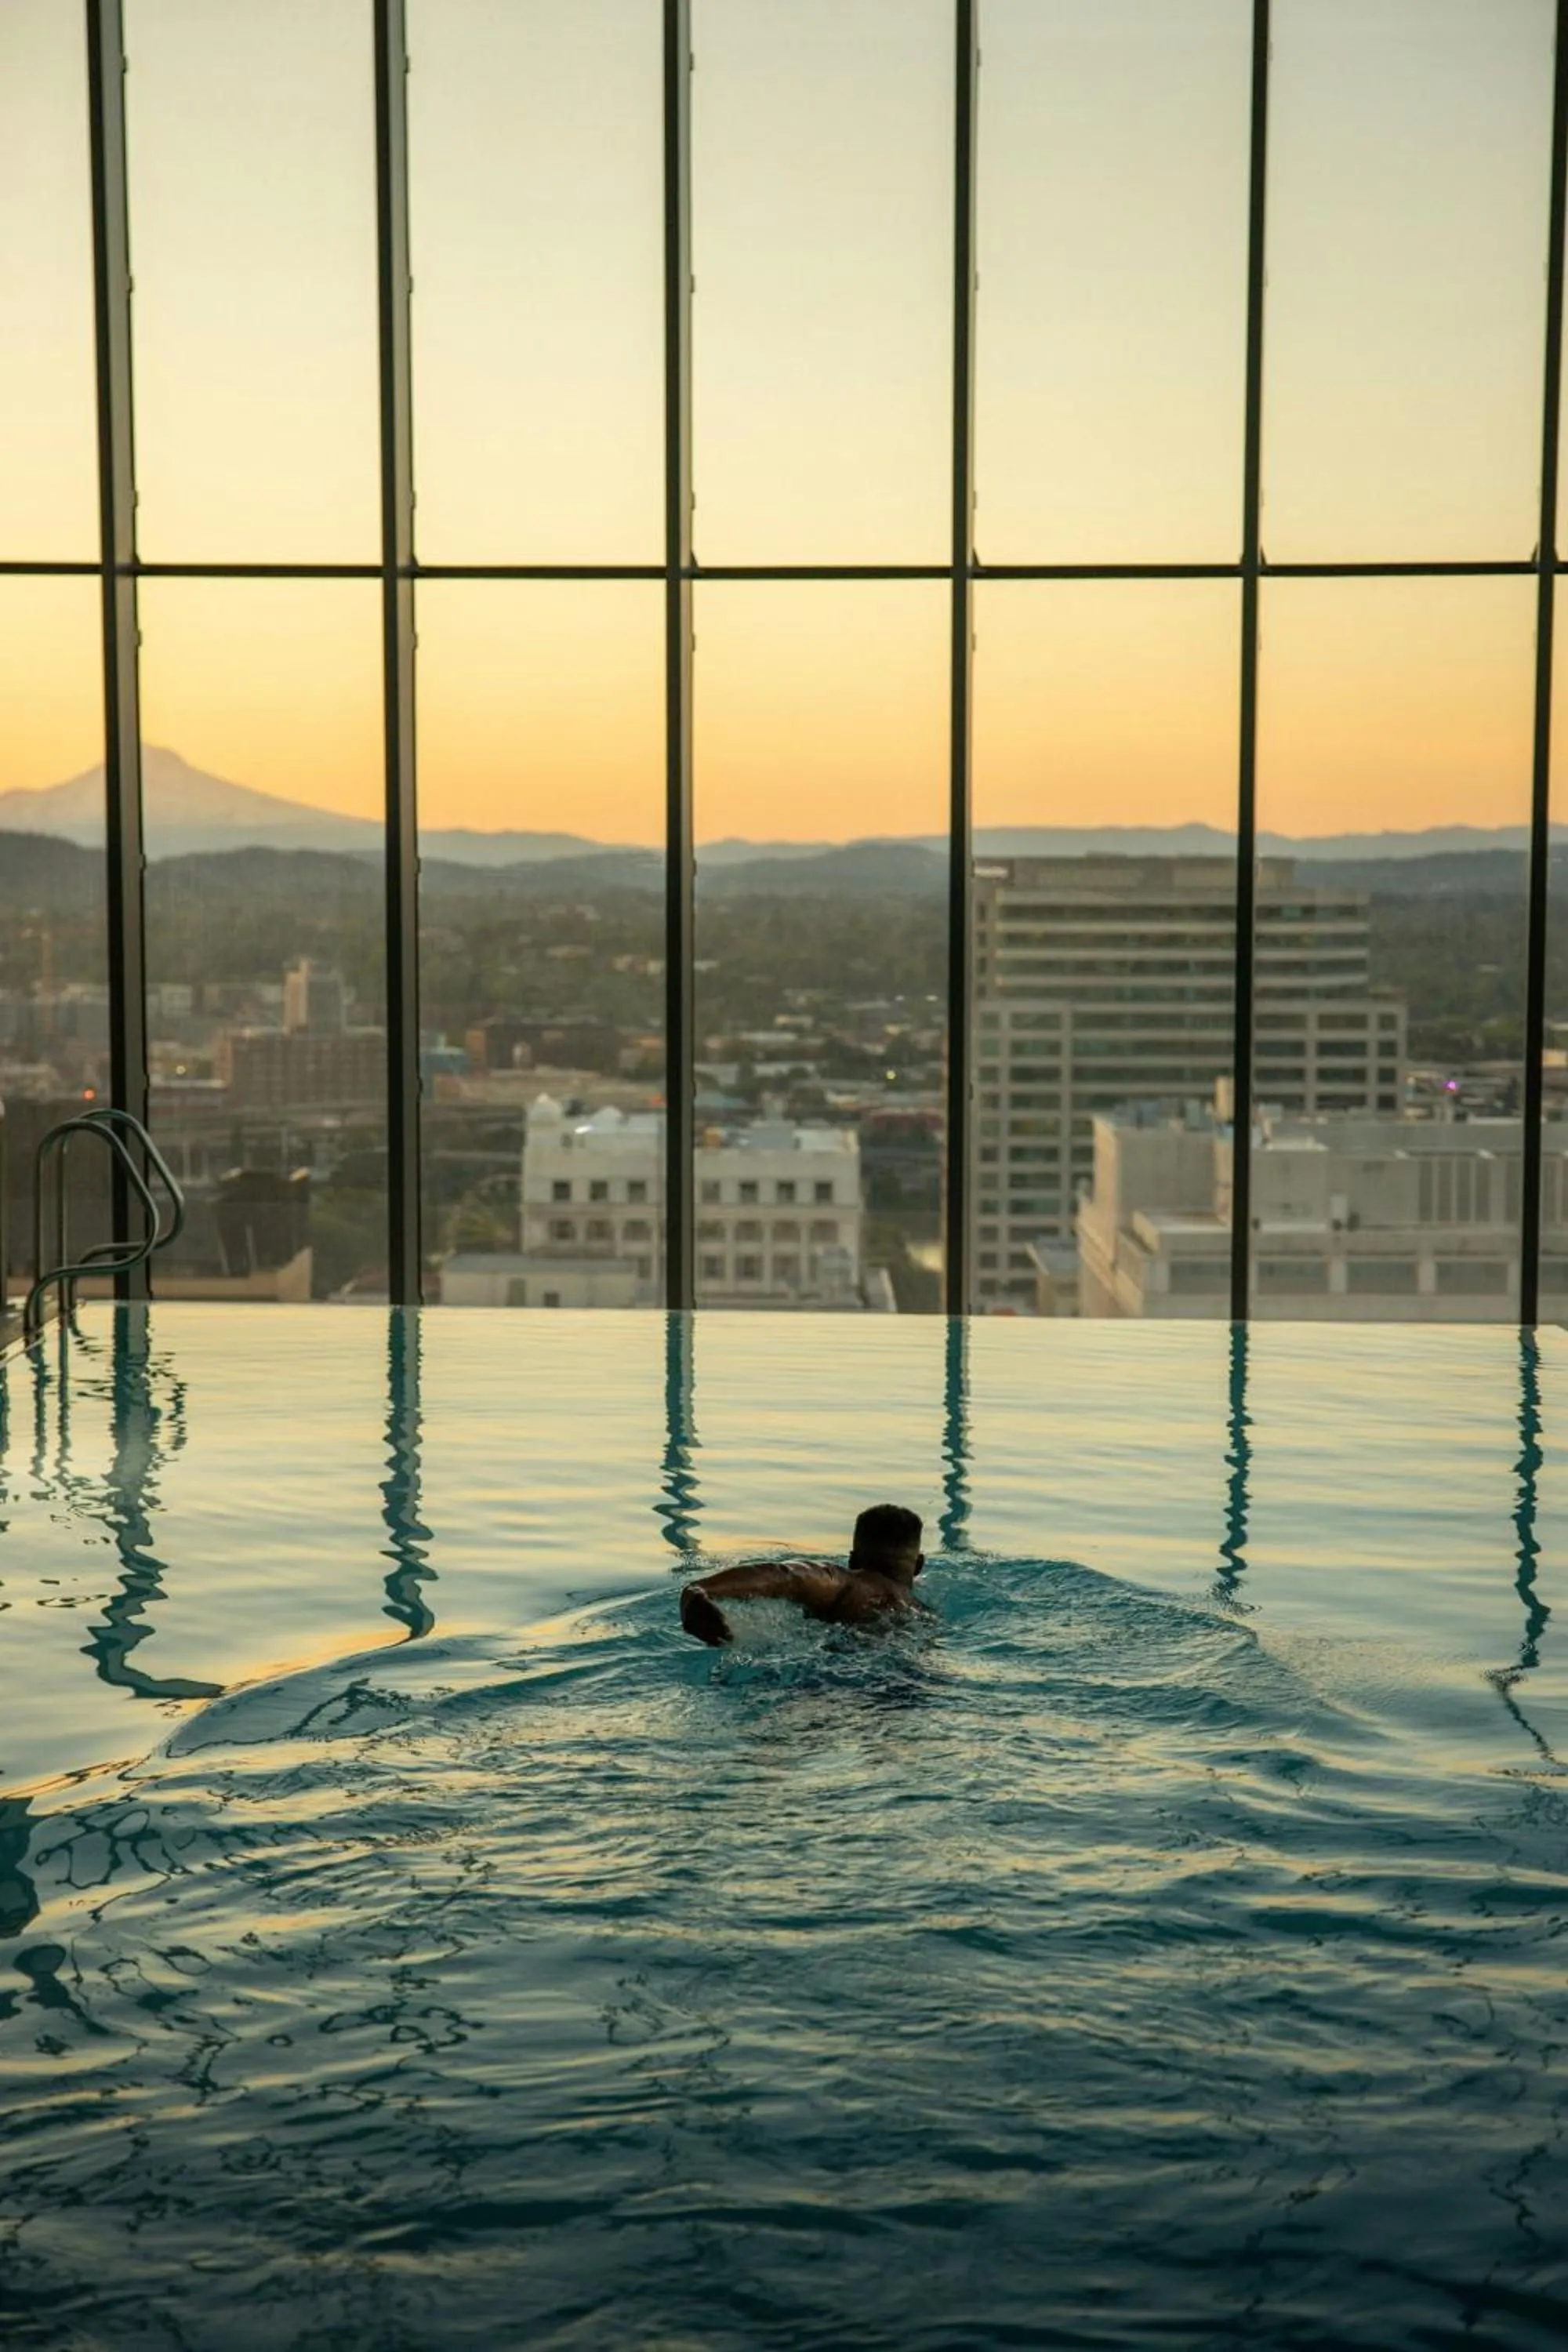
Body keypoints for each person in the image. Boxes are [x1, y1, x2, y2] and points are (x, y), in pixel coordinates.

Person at [679, 1503, 927, 1646]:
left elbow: (787, 1575)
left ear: (852, 1560)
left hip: (835, 1685)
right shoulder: (921, 1612)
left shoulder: (848, 1584)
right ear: (919, 1566)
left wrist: (698, 1591)